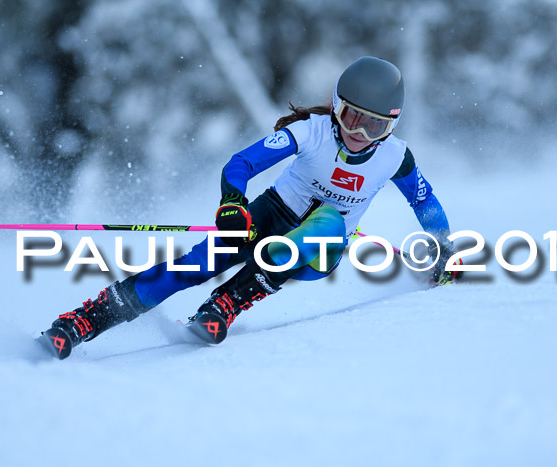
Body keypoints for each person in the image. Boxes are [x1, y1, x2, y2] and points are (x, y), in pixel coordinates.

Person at [43, 56, 461, 358]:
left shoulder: (394, 156)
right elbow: (241, 163)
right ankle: (83, 321)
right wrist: (232, 203)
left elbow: (423, 198)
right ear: (336, 106)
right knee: (191, 267)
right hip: (269, 214)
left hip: (322, 246)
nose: (359, 133)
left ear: (392, 126)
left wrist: (442, 245)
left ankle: (224, 304)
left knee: (326, 222)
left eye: (376, 125)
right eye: (352, 118)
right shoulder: (311, 132)